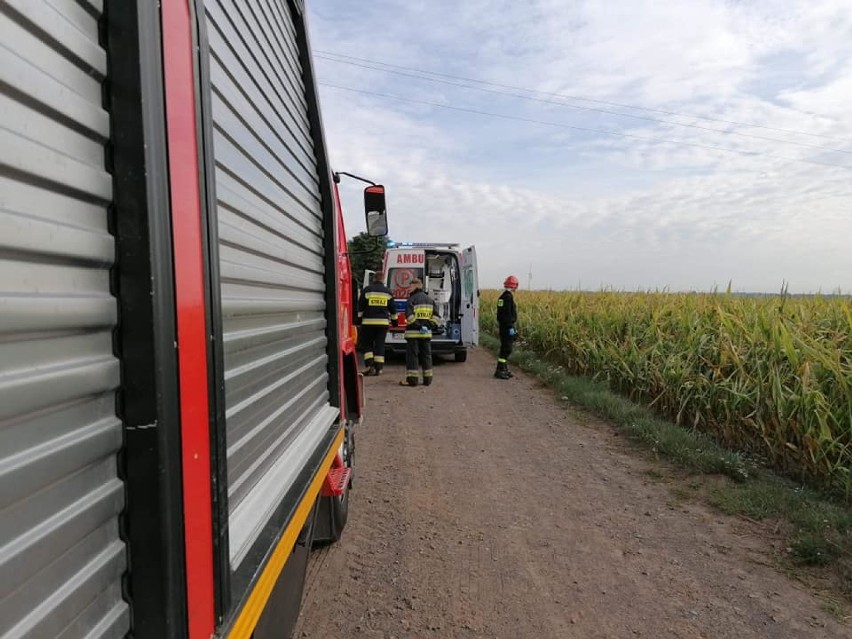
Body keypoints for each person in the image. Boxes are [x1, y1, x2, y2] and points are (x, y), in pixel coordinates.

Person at [400, 278, 440, 387]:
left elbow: (409, 317)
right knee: (427, 356)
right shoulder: (430, 300)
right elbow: (436, 317)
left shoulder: (411, 300)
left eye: (411, 286)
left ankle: (412, 381)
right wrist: (428, 326)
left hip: (413, 334)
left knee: (412, 357)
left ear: (416, 286)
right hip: (426, 334)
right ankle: (427, 380)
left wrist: (419, 326)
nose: (409, 288)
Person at [356, 271, 394, 376]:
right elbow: (393, 309)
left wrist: (358, 320)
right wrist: (394, 322)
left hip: (368, 323)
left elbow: (360, 307)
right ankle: (379, 368)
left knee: (367, 344)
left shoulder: (367, 290)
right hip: (382, 323)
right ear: (383, 279)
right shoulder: (388, 292)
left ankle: (369, 366)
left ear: (374, 279)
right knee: (380, 344)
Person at [495, 275, 519, 380]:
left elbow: (501, 314)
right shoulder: (508, 297)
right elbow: (506, 315)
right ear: (514, 286)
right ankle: (499, 370)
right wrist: (511, 328)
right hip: (506, 327)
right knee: (506, 349)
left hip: (504, 326)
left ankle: (504, 369)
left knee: (506, 348)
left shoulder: (503, 297)